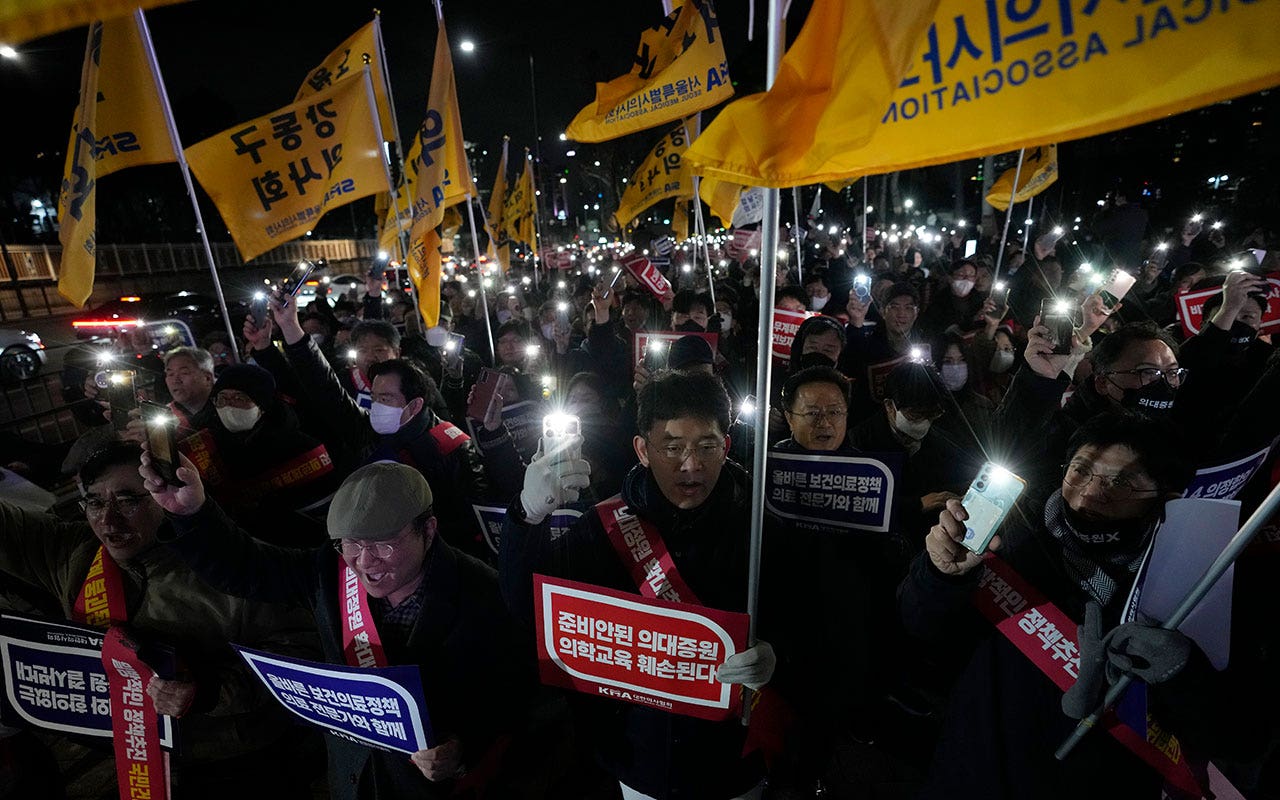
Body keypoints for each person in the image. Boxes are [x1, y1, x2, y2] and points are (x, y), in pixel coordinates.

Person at [899, 413, 1255, 799]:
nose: (1090, 493)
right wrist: (940, 574)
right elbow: (919, 632)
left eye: (1122, 482)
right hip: (978, 766)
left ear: (1165, 496)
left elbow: (1237, 735)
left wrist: (1182, 673)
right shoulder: (1009, 539)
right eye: (1081, 470)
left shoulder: (1196, 583)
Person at [144, 457, 533, 799]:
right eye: (350, 544)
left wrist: (462, 749)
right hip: (351, 776)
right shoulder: (330, 573)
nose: (364, 562)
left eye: (383, 543)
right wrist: (192, 513)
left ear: (428, 529)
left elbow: (514, 698)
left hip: (434, 788)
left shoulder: (486, 594)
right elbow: (247, 568)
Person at [500, 371, 781, 800]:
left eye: (707, 446)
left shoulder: (762, 530)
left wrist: (777, 658)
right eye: (671, 447)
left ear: (726, 446)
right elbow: (530, 609)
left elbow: (809, 623)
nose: (691, 465)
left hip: (732, 760)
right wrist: (526, 516)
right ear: (642, 449)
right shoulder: (603, 527)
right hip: (637, 757)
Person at [0, 442, 321, 798]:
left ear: (165, 495)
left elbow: (300, 653)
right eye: (94, 502)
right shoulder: (76, 552)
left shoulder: (226, 562)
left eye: (128, 500)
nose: (108, 520)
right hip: (133, 756)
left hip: (237, 760)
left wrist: (210, 689)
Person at [252, 290, 515, 559]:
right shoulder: (369, 432)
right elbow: (324, 388)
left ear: (414, 405)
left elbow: (477, 520)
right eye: (375, 397)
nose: (376, 406)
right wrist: (290, 327)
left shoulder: (450, 447)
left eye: (387, 399)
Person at [193, 363, 341, 546]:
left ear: (262, 405)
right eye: (222, 398)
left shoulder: (301, 448)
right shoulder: (207, 447)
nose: (228, 405)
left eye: (239, 398)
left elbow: (327, 521)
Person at [162, 346, 217, 437]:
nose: (176, 380)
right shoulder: (166, 418)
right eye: (170, 374)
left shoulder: (230, 406)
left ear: (207, 378)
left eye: (184, 373)